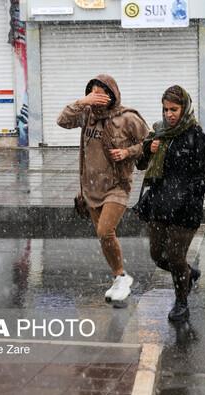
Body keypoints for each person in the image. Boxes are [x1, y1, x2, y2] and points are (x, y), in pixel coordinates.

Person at [57, 74, 149, 306]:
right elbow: (62, 120)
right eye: (93, 92)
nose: (98, 97)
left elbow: (150, 143)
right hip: (91, 187)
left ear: (113, 94)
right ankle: (120, 277)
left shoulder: (127, 118)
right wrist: (83, 102)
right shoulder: (87, 115)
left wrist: (128, 152)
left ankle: (122, 277)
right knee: (104, 236)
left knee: (104, 231)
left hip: (117, 185)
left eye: (102, 92)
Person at [134, 85, 205, 322]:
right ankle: (188, 275)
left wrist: (189, 196)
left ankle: (181, 302)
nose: (169, 114)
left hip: (185, 210)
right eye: (166, 109)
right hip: (159, 205)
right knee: (158, 255)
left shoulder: (196, 136)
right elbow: (140, 165)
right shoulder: (158, 133)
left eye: (174, 109)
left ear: (184, 108)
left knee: (176, 256)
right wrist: (149, 149)